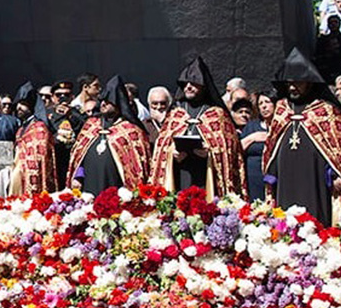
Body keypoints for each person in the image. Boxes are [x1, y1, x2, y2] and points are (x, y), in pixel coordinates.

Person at [265, 49, 341, 223]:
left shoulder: (325, 111)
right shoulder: (281, 109)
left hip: (315, 177)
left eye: (298, 83)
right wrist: (271, 172)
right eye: (289, 83)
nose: (292, 87)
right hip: (285, 178)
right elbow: (272, 143)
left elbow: (337, 148)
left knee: (314, 218)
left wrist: (333, 173)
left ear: (309, 83)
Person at [154, 58, 246, 199]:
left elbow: (229, 149)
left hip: (207, 176)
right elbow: (161, 148)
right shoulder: (175, 113)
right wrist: (172, 153)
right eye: (185, 84)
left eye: (194, 83)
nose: (188, 87)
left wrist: (210, 153)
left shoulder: (217, 114)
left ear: (204, 86)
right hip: (180, 174)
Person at [69, 76, 150, 194]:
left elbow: (138, 167)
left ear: (118, 103)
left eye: (108, 101)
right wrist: (78, 176)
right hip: (88, 188)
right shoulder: (91, 125)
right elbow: (79, 155)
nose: (103, 104)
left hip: (116, 190)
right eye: (102, 100)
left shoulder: (131, 131)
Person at [11, 82, 57, 195]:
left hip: (31, 177)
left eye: (23, 104)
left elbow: (40, 156)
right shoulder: (21, 128)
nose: (18, 107)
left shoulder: (39, 127)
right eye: (18, 104)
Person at [236, 98, 270, 201]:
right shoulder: (251, 126)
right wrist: (253, 138)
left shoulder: (280, 126)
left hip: (272, 175)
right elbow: (237, 150)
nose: (264, 106)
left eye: (267, 102)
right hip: (252, 176)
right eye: (260, 103)